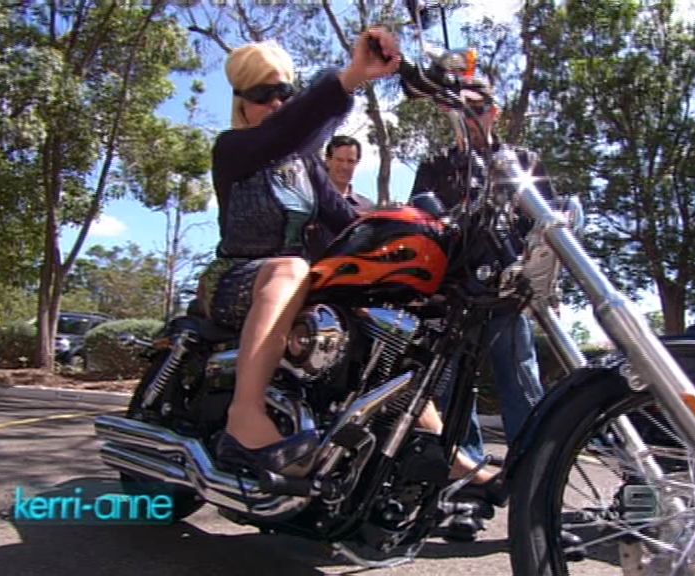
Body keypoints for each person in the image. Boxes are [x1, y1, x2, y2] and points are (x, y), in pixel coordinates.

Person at [207, 30, 402, 474]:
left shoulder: (306, 164)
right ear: (241, 102)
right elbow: (283, 134)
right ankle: (244, 416)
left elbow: (348, 223)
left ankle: (443, 453)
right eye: (262, 95)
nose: (276, 104)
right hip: (233, 279)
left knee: (384, 325)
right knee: (291, 268)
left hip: (296, 286)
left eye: (284, 93)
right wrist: (352, 77)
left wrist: (406, 239)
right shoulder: (233, 149)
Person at [410, 79, 550, 540]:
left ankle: (538, 499)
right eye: (460, 107)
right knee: (454, 398)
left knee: (523, 390)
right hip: (453, 297)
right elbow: (421, 222)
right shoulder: (435, 165)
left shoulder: (522, 161)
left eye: (479, 106)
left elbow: (544, 223)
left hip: (507, 294)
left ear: (495, 111)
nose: (469, 115)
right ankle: (465, 496)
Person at [324, 135, 374, 211]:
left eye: (350, 161)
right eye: (339, 160)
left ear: (357, 163)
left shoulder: (366, 207)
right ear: (328, 160)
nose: (345, 167)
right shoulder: (312, 200)